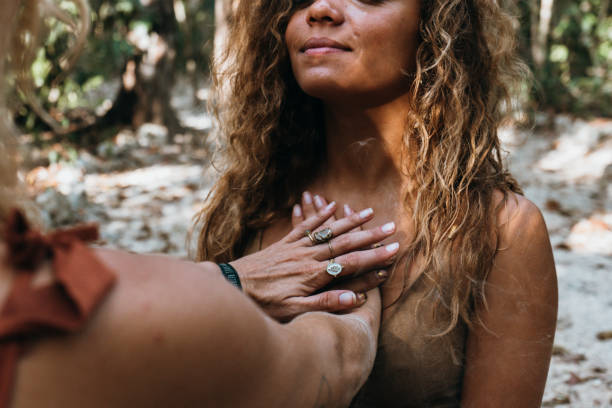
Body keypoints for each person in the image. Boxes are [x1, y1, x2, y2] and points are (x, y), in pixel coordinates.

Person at [0, 0, 400, 406]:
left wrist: (229, 279)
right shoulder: (257, 202)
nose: (320, 8)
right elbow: (314, 367)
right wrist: (354, 330)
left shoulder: (464, 228)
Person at [196, 0, 559, 406]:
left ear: (436, 28)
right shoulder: (249, 206)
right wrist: (235, 283)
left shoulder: (502, 231)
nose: (319, 9)